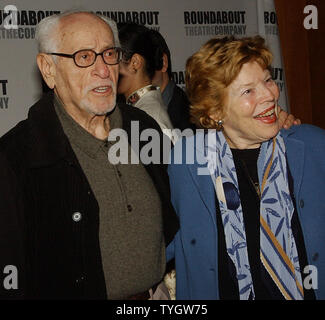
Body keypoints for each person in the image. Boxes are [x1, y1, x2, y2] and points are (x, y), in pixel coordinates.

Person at [0, 11, 179, 299]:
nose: (103, 69)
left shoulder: (142, 128)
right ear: (48, 69)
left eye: (109, 53)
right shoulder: (17, 156)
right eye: (84, 57)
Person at [166, 35, 325, 300]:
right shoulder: (188, 161)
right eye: (248, 91)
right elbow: (166, 239)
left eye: (268, 80)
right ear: (216, 111)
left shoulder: (312, 146)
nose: (270, 95)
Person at [117, 23, 175, 143]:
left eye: (114, 58)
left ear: (135, 63)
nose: (106, 69)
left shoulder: (149, 116)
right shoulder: (143, 110)